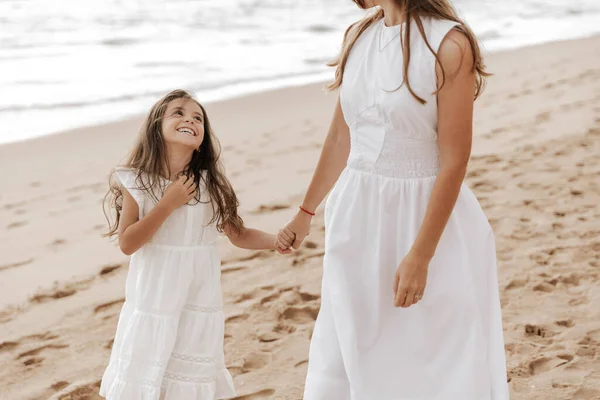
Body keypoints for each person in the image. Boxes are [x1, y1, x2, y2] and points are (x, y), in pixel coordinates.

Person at [276, 1, 509, 398]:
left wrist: (421, 255)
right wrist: (305, 211)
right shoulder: (358, 36)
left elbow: (454, 161)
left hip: (425, 215)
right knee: (357, 340)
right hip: (357, 212)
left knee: (434, 351)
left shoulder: (449, 44)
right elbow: (340, 136)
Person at [99, 89, 292, 400]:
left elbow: (238, 234)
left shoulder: (211, 185)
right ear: (156, 127)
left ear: (202, 137)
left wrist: (275, 241)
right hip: (154, 298)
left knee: (188, 368)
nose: (189, 119)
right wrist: (167, 203)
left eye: (197, 117)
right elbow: (127, 243)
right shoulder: (137, 180)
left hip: (198, 297)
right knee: (147, 367)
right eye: (178, 113)